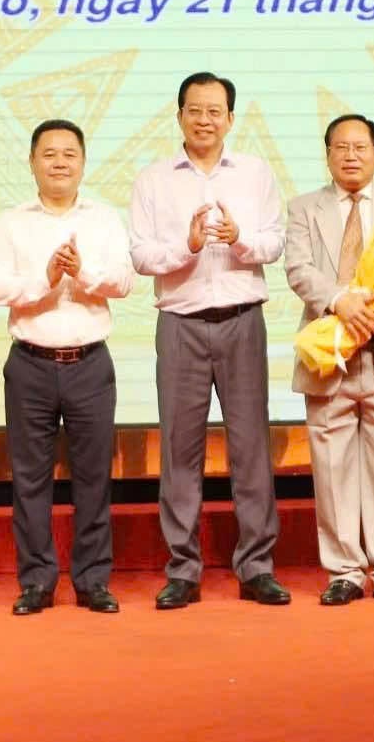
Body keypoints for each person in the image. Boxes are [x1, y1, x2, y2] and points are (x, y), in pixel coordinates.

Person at [130, 72, 290, 610]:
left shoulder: (255, 173)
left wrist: (240, 240)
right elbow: (141, 256)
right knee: (179, 450)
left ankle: (257, 567)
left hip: (242, 320)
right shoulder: (153, 179)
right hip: (181, 323)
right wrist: (189, 245)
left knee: (251, 448)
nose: (204, 120)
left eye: (214, 111)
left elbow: (275, 242)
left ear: (230, 118)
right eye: (194, 110)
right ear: (179, 116)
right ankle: (183, 570)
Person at [0, 119, 135, 616]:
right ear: (32, 162)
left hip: (90, 363)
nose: (60, 162)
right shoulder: (11, 223)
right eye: (49, 154)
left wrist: (81, 273)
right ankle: (37, 581)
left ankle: (92, 581)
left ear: (84, 162)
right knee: (30, 479)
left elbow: (124, 281)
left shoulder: (104, 219)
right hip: (30, 363)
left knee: (94, 477)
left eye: (70, 153)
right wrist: (46, 279)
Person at [282, 113, 374, 607]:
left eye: (360, 147)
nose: (351, 156)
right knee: (332, 469)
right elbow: (298, 268)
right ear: (327, 154)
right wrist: (339, 300)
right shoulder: (303, 207)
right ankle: (344, 570)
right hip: (330, 354)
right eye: (341, 147)